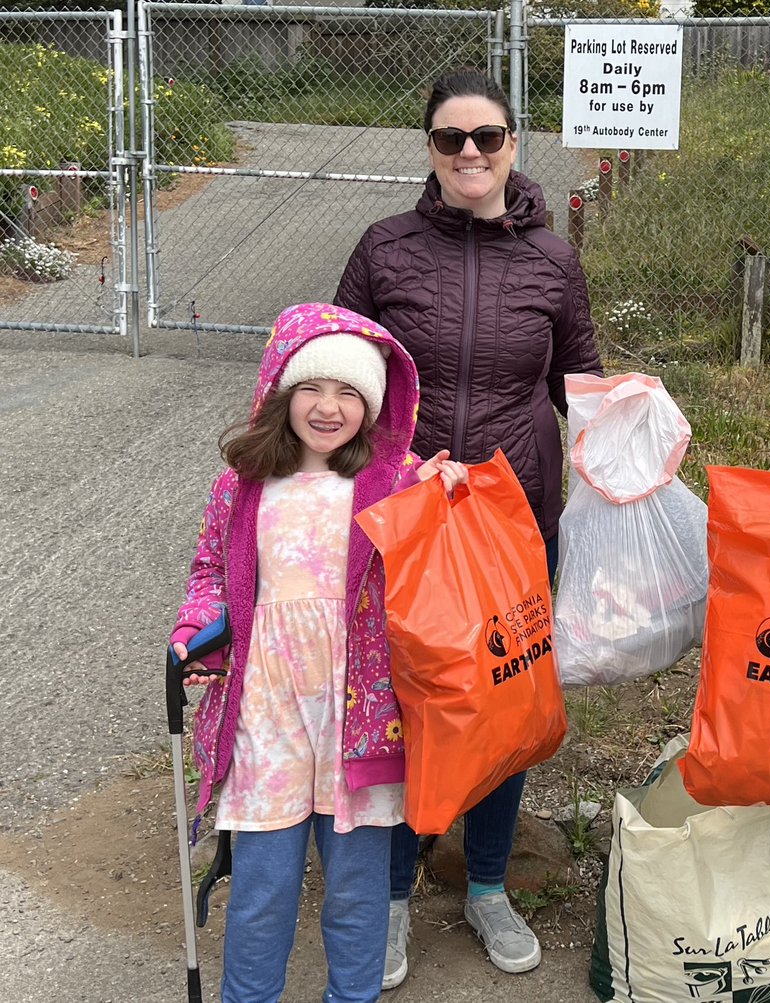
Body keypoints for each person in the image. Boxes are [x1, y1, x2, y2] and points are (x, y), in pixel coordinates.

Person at [334, 67, 602, 988]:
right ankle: (398, 890)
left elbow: (579, 382)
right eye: (452, 139)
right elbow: (340, 376)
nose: (472, 154)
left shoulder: (553, 260)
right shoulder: (386, 248)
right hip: (408, 526)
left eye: (487, 136)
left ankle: (487, 882)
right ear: (431, 151)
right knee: (409, 706)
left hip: (515, 524)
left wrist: (629, 444)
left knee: (504, 699)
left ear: (514, 144)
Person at [170, 302, 467, 1003]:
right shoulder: (240, 489)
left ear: (370, 405)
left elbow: (441, 563)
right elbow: (211, 573)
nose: (328, 406)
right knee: (262, 890)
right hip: (266, 717)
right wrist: (195, 629)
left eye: (349, 393)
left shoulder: (397, 482)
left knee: (357, 894)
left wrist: (450, 496)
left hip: (359, 719)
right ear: (282, 391)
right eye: (313, 387)